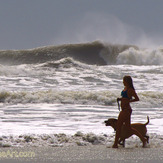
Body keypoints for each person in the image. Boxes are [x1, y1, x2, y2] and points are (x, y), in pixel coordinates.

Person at [112, 76, 147, 148]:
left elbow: (137, 99)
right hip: (124, 110)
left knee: (118, 126)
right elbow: (125, 98)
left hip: (126, 110)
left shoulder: (130, 90)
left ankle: (115, 144)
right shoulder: (125, 89)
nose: (123, 82)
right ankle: (143, 139)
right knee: (129, 128)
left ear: (127, 81)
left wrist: (129, 101)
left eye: (124, 81)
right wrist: (121, 99)